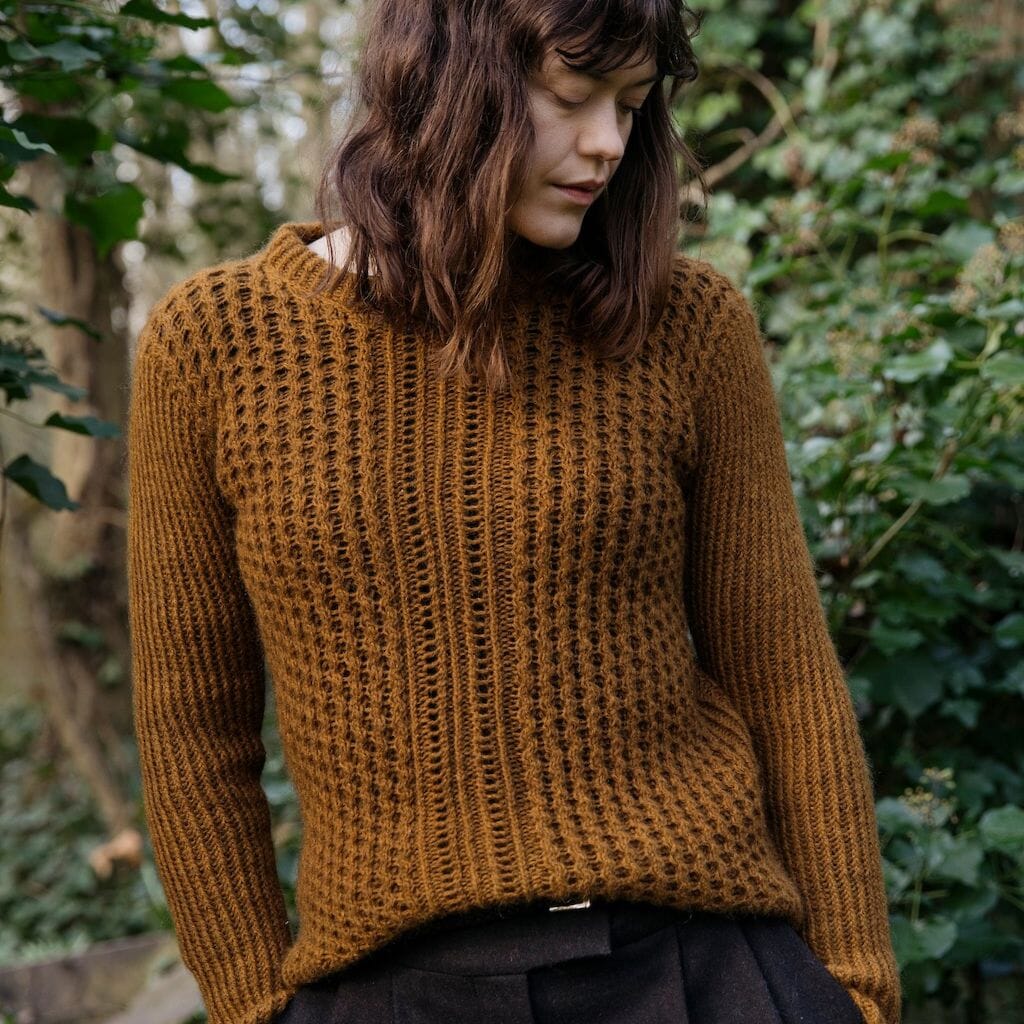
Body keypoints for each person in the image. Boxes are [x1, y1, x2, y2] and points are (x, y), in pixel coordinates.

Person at [125, 2, 902, 1024]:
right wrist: (253, 1006)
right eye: (572, 97)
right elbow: (191, 735)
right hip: (391, 989)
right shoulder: (214, 346)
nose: (608, 145)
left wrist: (853, 989)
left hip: (696, 969)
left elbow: (783, 676)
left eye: (631, 106)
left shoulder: (685, 325)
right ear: (445, 86)